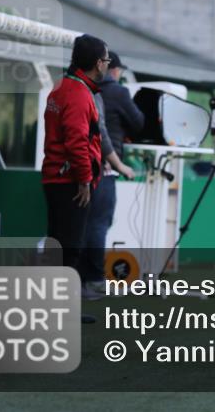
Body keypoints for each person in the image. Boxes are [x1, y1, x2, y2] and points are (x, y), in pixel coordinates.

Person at [41, 34, 110, 322]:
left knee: (59, 245)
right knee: (70, 249)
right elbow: (77, 142)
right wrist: (84, 180)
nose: (107, 65)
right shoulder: (80, 93)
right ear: (97, 63)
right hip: (70, 182)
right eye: (106, 60)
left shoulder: (62, 87)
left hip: (55, 178)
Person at [79, 51, 141, 298]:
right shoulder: (115, 92)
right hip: (100, 169)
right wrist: (120, 165)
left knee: (80, 226)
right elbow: (135, 124)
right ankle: (93, 279)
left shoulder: (77, 88)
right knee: (98, 224)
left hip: (76, 169)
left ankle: (80, 281)